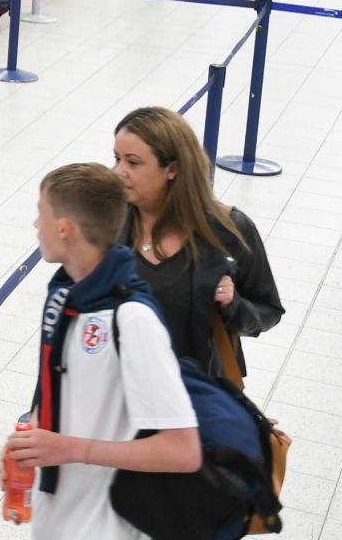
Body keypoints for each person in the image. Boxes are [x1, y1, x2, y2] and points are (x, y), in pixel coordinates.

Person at [5, 162, 202, 540]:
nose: (35, 224)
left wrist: (71, 448)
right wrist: (29, 440)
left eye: (41, 212)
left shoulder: (133, 320)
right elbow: (66, 390)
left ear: (65, 228)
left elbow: (184, 452)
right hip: (61, 528)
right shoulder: (67, 295)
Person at [112, 107, 284, 385]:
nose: (119, 171)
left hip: (197, 395)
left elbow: (269, 311)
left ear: (172, 169)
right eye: (117, 159)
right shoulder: (110, 223)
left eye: (133, 162)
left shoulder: (229, 229)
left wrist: (233, 304)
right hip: (122, 389)